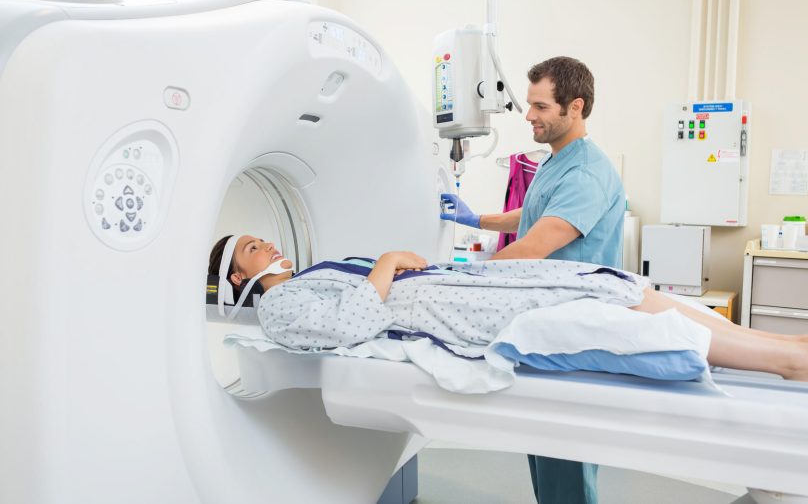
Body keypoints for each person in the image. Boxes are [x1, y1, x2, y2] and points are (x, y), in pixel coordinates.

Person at [208, 234, 808, 383]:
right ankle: (784, 361)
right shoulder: (279, 306)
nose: (272, 245)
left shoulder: (314, 273)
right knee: (602, 301)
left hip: (458, 288)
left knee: (608, 282)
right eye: (257, 246)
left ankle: (787, 347)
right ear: (241, 275)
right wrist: (387, 264)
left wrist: (398, 265)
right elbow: (348, 326)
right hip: (456, 314)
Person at [438, 56, 621, 504]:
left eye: (540, 107)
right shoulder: (558, 160)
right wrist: (476, 218)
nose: (529, 116)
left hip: (573, 331)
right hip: (546, 324)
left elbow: (535, 245)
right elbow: (534, 212)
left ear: (574, 107)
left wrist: (457, 280)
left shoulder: (585, 172)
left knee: (566, 461)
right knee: (543, 448)